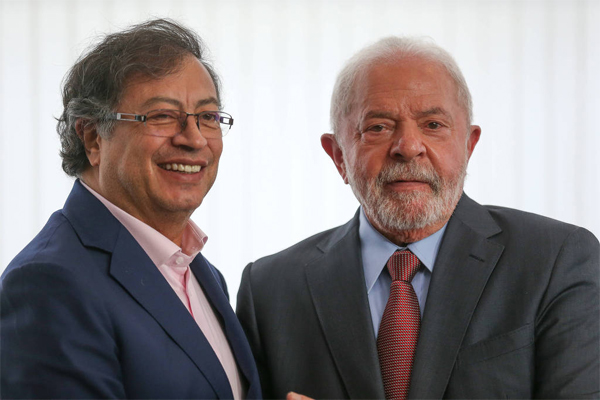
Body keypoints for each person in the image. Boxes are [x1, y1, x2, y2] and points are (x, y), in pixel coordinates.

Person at [236, 36, 599, 399]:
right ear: (338, 156)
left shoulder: (557, 260)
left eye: (433, 125)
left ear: (469, 146)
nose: (408, 147)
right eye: (377, 126)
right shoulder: (269, 290)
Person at [1, 19, 260, 399]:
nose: (194, 138)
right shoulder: (49, 284)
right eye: (161, 116)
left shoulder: (201, 273)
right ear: (92, 137)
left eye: (207, 117)